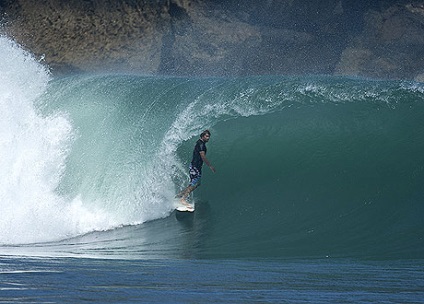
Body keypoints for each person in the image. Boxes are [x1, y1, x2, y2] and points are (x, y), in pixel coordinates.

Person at [176, 130, 216, 206]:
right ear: (202, 136)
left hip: (195, 166)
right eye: (206, 136)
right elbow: (203, 156)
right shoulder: (201, 145)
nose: (208, 138)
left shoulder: (199, 142)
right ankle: (183, 199)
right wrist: (210, 166)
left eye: (209, 136)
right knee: (194, 184)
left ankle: (180, 195)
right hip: (195, 167)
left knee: (196, 184)